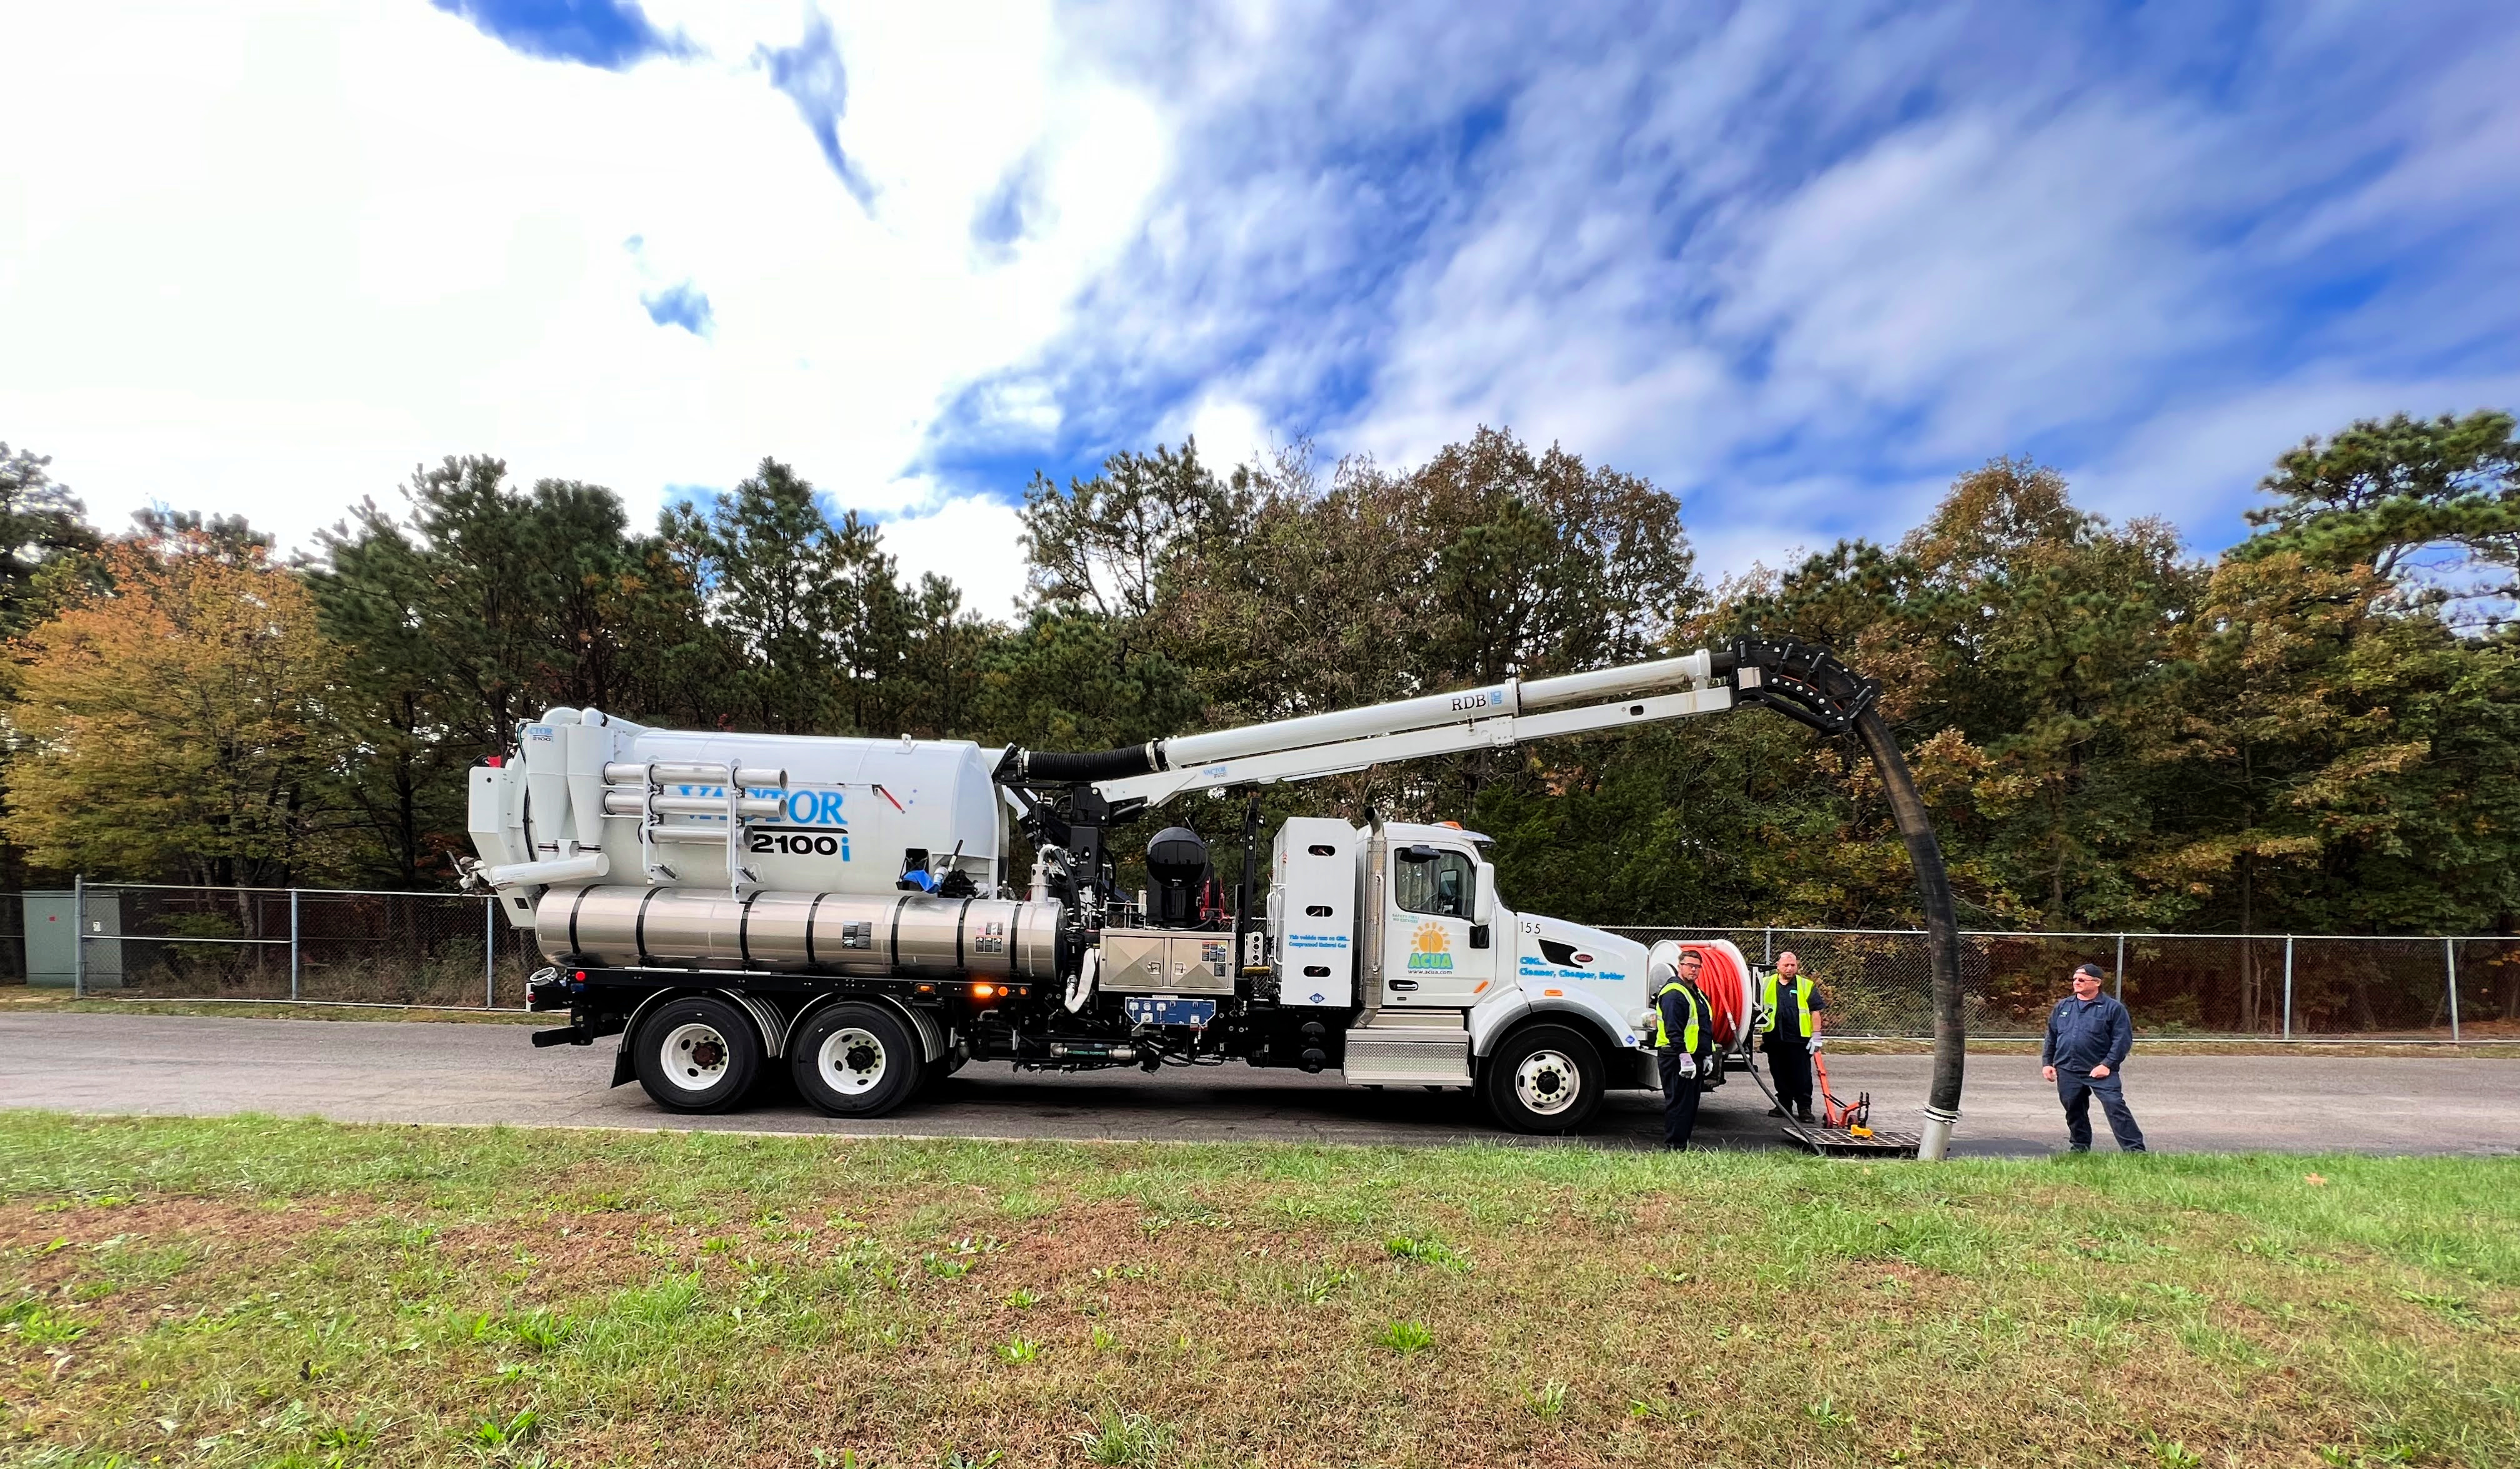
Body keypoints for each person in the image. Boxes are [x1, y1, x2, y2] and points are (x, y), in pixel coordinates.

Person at [2042, 962, 2146, 1153]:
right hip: (2067, 1068)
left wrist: (2107, 1064)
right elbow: (2052, 1036)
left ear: (2096, 982)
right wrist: (2047, 1063)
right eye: (2074, 979)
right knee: (2074, 1109)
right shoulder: (2064, 1006)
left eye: (2082, 979)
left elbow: (2122, 1040)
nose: (2076, 982)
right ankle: (2080, 1147)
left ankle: (2135, 1150)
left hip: (2099, 1069)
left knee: (2114, 1105)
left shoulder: (2113, 1008)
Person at [1652, 945, 1718, 1150]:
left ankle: (1682, 1143)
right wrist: (1684, 1056)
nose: (1694, 970)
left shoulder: (1697, 994)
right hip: (1677, 1056)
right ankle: (1674, 1145)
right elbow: (1674, 1029)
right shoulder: (1674, 993)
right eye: (1690, 966)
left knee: (1690, 1104)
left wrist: (1707, 1054)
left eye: (1698, 967)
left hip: (1694, 1056)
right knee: (1679, 1103)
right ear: (1680, 966)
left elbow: (1703, 1026)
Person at [1758, 950, 1824, 1123]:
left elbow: (1815, 1012)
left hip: (1798, 1040)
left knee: (1801, 1076)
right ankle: (1784, 1105)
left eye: (1793, 965)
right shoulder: (1765, 984)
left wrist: (1816, 1035)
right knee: (1779, 1074)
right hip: (1774, 1039)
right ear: (1778, 966)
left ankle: (1804, 1108)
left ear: (1797, 966)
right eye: (1786, 965)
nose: (1789, 968)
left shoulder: (1805, 985)